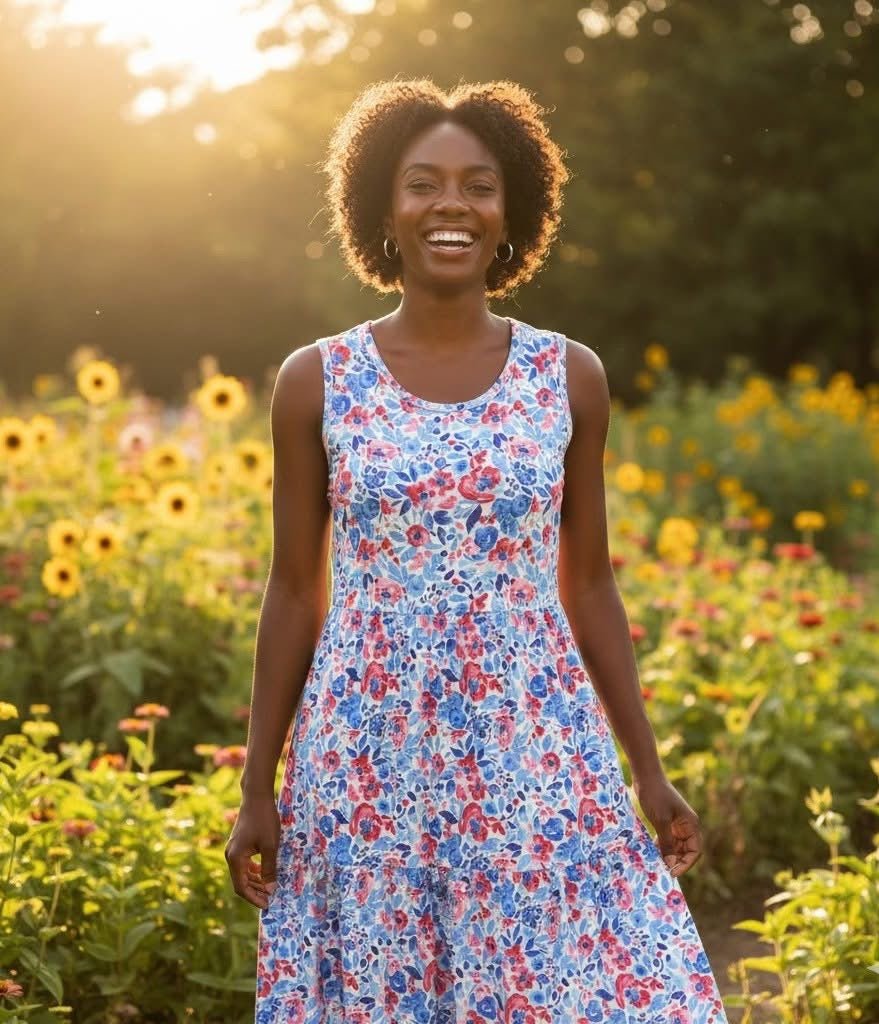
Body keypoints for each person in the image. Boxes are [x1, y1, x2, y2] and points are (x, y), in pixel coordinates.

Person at [226, 78, 730, 1023]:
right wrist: (259, 784)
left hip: (532, 747)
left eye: (479, 185)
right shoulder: (316, 381)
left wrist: (647, 770)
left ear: (514, 213)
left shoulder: (567, 376)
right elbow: (295, 590)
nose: (450, 205)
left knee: (552, 986)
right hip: (365, 751)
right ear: (381, 206)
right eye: (422, 184)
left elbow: (588, 585)